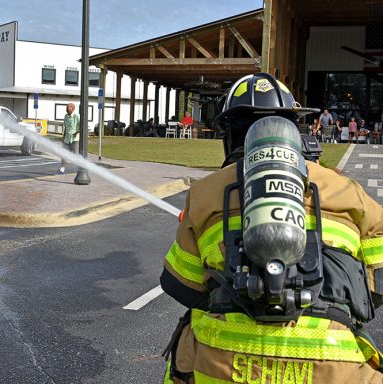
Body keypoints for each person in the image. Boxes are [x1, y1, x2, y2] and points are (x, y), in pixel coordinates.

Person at [161, 72, 383, 383]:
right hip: (333, 366)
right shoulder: (346, 190)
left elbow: (179, 286)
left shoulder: (204, 193)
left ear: (229, 135)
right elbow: (378, 280)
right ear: (296, 127)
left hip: (221, 367)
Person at [56, 103, 80, 175]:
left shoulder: (76, 116)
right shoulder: (66, 116)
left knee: (76, 156)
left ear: (72, 109)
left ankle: (80, 169)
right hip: (67, 139)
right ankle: (62, 170)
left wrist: (76, 133)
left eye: (68, 107)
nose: (66, 109)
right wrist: (63, 138)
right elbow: (65, 128)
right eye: (66, 107)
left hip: (74, 140)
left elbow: (82, 126)